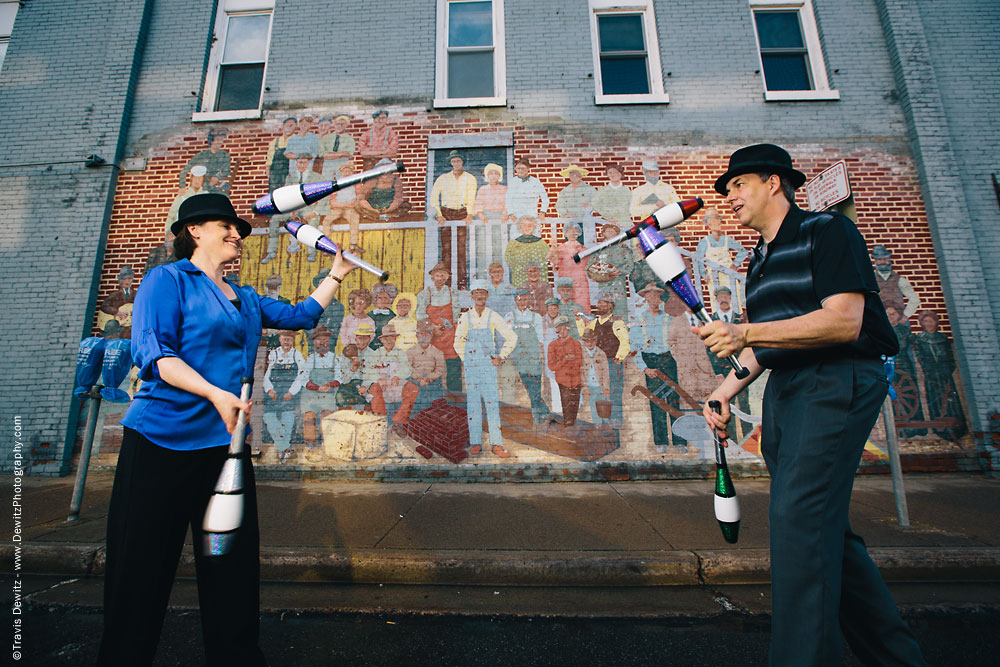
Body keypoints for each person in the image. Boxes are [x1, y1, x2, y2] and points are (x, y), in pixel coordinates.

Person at [100, 193, 355, 666]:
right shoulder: (167, 280)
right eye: (227, 226)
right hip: (161, 443)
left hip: (223, 453)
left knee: (229, 568)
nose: (237, 234)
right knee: (142, 569)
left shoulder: (246, 298)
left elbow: (300, 316)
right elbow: (154, 354)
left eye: (238, 228)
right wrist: (216, 394)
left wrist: (336, 273)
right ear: (194, 231)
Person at [697, 144, 924, 666]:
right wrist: (723, 392)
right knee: (824, 530)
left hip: (838, 378)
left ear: (774, 182)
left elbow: (843, 321)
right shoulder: (760, 260)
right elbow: (769, 345)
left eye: (737, 185)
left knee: (798, 521)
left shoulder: (826, 231)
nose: (729, 197)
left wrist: (745, 330)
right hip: (789, 389)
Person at [453, 279, 517, 457]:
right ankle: (475, 443)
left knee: (492, 404)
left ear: (487, 295)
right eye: (476, 293)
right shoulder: (465, 317)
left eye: (483, 292)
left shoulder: (493, 316)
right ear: (472, 296)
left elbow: (511, 337)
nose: (480, 296)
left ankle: (496, 443)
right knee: (473, 405)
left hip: (489, 367)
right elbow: (458, 342)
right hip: (472, 367)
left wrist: (501, 356)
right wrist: (467, 359)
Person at [430, 149, 477, 290]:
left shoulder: (470, 178)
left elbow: (471, 198)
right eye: (453, 161)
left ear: (462, 162)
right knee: (446, 249)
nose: (456, 163)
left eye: (458, 161)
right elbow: (433, 198)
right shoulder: (443, 178)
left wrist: (470, 214)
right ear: (450, 163)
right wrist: (439, 214)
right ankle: (448, 284)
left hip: (462, 213)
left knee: (461, 249)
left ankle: (461, 283)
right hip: (447, 213)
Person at [415, 262, 462, 391]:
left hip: (450, 337)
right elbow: (420, 314)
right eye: (437, 276)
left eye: (443, 276)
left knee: (453, 368)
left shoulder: (453, 293)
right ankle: (434, 396)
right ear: (432, 277)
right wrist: (432, 327)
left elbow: (457, 316)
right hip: (433, 336)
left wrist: (458, 335)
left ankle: (455, 395)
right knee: (433, 367)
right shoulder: (426, 293)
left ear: (447, 278)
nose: (440, 278)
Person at [262, 329, 307, 463]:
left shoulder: (297, 355)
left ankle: (283, 450)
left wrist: (291, 392)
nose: (287, 340)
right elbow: (266, 374)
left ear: (293, 340)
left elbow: (301, 376)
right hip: (275, 393)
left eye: (289, 338)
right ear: (280, 339)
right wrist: (270, 390)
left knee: (288, 419)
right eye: (284, 337)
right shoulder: (274, 354)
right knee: (268, 417)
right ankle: (286, 448)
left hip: (289, 393)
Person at [506, 289, 549, 426]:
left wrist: (536, 354)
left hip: (533, 356)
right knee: (530, 388)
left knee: (535, 388)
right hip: (520, 356)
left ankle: (537, 417)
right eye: (520, 299)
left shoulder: (536, 317)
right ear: (515, 300)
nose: (523, 302)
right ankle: (545, 413)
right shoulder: (509, 316)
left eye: (525, 299)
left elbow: (540, 340)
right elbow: (508, 337)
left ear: (529, 300)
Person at [694, 207, 749, 313]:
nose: (715, 222)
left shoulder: (727, 240)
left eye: (716, 219)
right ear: (708, 224)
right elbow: (698, 260)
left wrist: (735, 265)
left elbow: (743, 251)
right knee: (717, 303)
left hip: (728, 276)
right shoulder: (704, 242)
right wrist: (704, 275)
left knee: (734, 301)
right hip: (714, 278)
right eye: (711, 220)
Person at [472, 162, 508, 276]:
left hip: (500, 219)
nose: (493, 176)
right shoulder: (483, 189)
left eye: (496, 173)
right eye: (491, 173)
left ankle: (499, 276)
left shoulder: (504, 189)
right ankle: (483, 275)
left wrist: (505, 214)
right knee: (483, 248)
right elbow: (478, 203)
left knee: (498, 248)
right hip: (485, 219)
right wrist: (481, 214)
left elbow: (508, 203)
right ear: (487, 176)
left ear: (500, 176)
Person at [547, 222, 590, 313]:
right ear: (565, 234)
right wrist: (553, 247)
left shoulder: (584, 249)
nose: (572, 234)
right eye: (569, 231)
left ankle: (583, 322)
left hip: (580, 280)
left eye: (575, 231)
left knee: (581, 302)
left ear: (578, 233)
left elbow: (589, 266)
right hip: (565, 279)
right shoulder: (560, 249)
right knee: (566, 302)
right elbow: (553, 264)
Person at [547, 316, 583, 427]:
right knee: (566, 404)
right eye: (559, 328)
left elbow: (580, 361)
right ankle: (568, 426)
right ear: (556, 330)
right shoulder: (552, 345)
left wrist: (571, 361)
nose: (562, 331)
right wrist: (564, 360)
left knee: (575, 404)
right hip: (563, 380)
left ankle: (572, 425)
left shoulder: (576, 343)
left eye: (564, 328)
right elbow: (552, 366)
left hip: (576, 379)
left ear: (568, 329)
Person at [320, 162, 363, 254]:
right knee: (327, 221)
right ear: (341, 172)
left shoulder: (356, 183)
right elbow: (332, 202)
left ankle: (353, 244)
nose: (347, 173)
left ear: (352, 172)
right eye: (345, 171)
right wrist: (344, 205)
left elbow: (359, 197)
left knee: (354, 218)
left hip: (350, 208)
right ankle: (327, 246)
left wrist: (353, 203)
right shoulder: (336, 184)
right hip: (338, 208)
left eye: (349, 171)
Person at [872, 244, 920, 322]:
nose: (883, 262)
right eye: (880, 259)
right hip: (879, 321)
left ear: (889, 260)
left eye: (885, 259)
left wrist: (905, 316)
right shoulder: (871, 280)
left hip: (900, 322)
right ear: (876, 261)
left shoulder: (900, 280)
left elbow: (914, 299)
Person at [178, 127, 231, 193]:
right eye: (217, 139)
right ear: (211, 140)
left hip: (215, 187)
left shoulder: (224, 155)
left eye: (221, 140)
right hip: (201, 188)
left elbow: (227, 170)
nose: (219, 142)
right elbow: (184, 171)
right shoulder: (201, 156)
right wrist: (182, 186)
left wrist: (217, 177)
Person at [555, 164, 597, 245]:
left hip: (585, 222)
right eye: (571, 174)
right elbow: (559, 205)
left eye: (576, 174)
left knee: (586, 245)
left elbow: (597, 203)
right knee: (570, 246)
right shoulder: (565, 191)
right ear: (569, 176)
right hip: (570, 223)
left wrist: (590, 205)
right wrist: (565, 214)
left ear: (581, 175)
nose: (574, 176)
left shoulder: (589, 189)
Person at [505, 216, 550, 290]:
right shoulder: (513, 244)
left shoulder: (541, 243)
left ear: (534, 227)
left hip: (538, 277)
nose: (527, 228)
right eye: (524, 225)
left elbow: (546, 259)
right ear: (520, 227)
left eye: (530, 226)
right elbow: (509, 260)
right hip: (520, 277)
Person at [505, 157, 549, 223]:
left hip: (532, 216)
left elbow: (545, 198)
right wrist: (510, 213)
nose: (520, 170)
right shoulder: (512, 182)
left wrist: (542, 212)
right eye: (518, 168)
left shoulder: (536, 181)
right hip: (517, 218)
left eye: (523, 168)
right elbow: (508, 199)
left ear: (528, 168)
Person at [316, 114, 355, 180]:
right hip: (327, 165)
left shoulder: (349, 139)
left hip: (342, 164)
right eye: (337, 124)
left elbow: (348, 154)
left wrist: (331, 154)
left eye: (342, 124)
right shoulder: (326, 138)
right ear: (334, 124)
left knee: (342, 182)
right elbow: (322, 154)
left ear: (346, 125)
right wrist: (341, 154)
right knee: (326, 182)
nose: (339, 126)